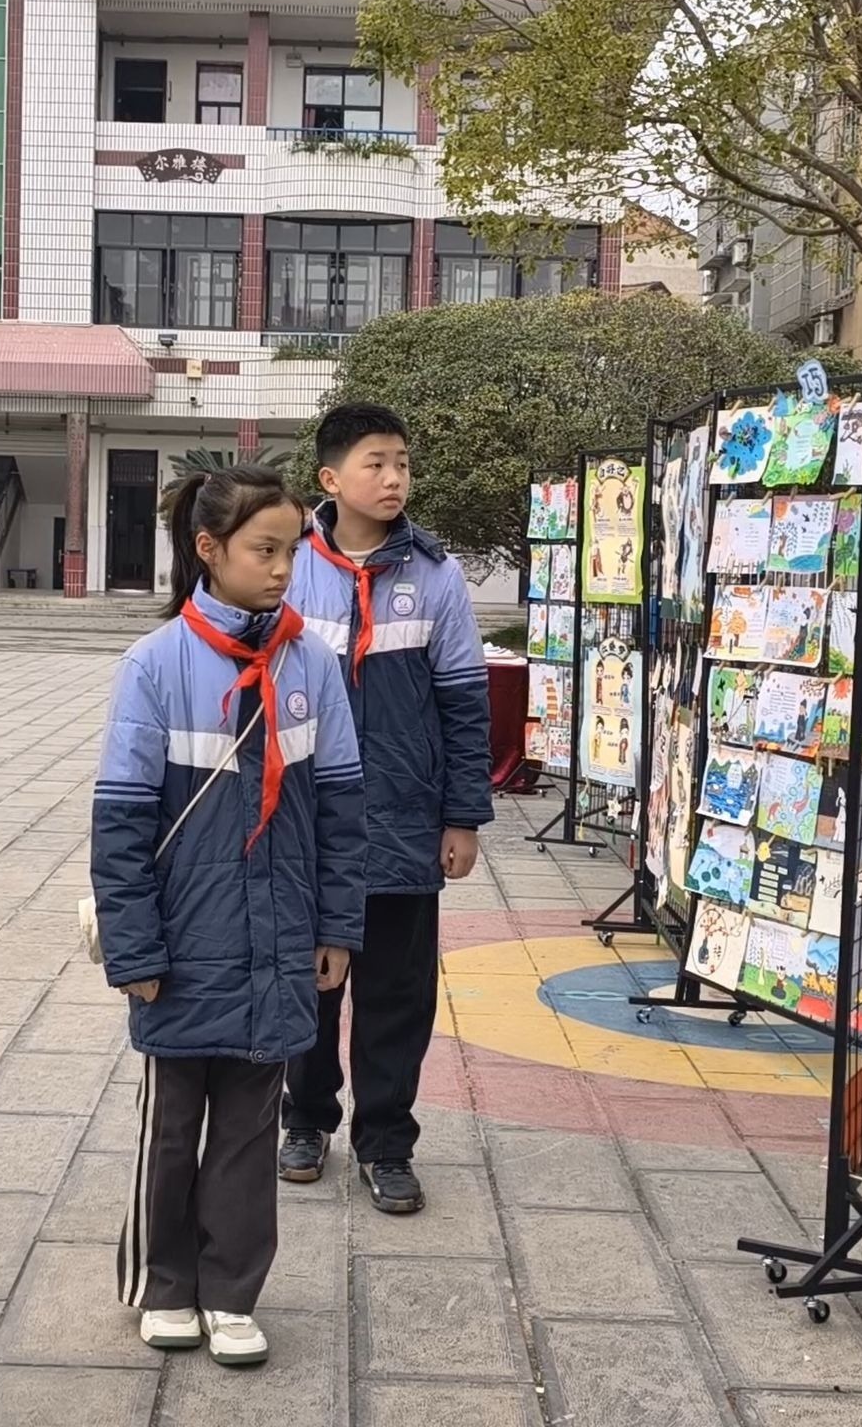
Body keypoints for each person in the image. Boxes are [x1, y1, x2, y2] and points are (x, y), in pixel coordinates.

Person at [93, 463, 366, 1365]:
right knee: (172, 1122)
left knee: (253, 1123)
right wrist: (133, 945)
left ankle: (233, 1289)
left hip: (280, 939)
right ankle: (167, 1282)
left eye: (292, 550)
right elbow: (123, 822)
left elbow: (339, 808)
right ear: (208, 551)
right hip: (181, 939)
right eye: (265, 549)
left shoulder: (312, 664)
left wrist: (336, 929)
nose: (285, 567)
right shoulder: (156, 663)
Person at [279, 403, 493, 1213]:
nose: (395, 477)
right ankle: (303, 1119)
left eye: (402, 461)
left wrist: (461, 817)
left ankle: (386, 1141)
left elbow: (465, 705)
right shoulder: (290, 569)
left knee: (396, 993)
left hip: (405, 820)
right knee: (307, 982)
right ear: (332, 480)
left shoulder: (435, 577)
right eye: (377, 463)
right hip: (307, 825)